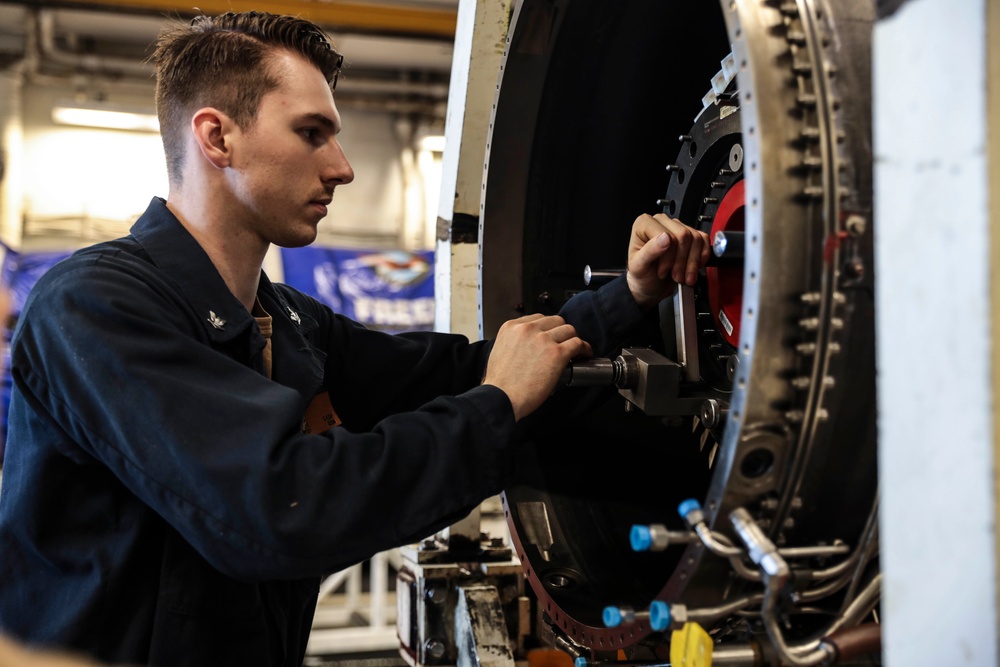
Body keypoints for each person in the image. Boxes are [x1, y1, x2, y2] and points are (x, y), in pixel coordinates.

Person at [0, 11, 708, 666]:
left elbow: (454, 374)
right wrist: (497, 404)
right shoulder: (95, 307)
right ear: (217, 137)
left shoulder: (287, 321)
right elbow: (276, 508)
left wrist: (629, 299)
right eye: (312, 133)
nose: (341, 166)